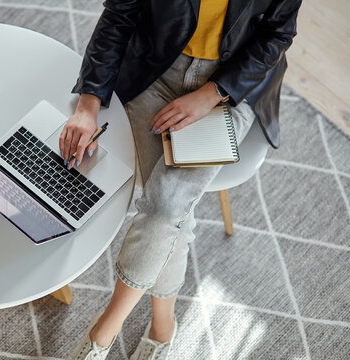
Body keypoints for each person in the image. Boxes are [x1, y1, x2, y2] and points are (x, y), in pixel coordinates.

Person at [63, 0, 302, 358]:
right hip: (155, 68)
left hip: (231, 87)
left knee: (164, 208)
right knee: (173, 215)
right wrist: (87, 105)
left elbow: (277, 34)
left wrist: (211, 94)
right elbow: (120, 14)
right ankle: (163, 325)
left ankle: (103, 332)